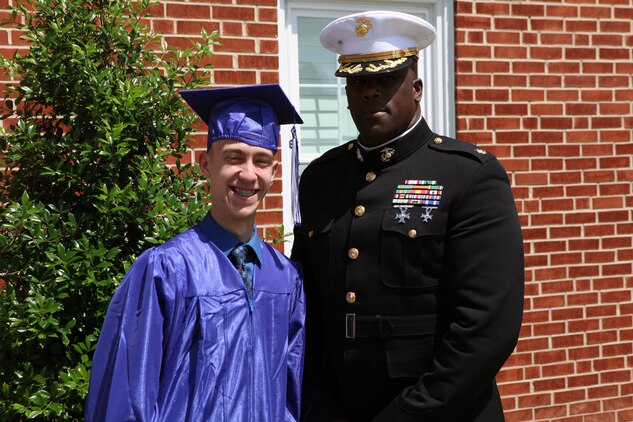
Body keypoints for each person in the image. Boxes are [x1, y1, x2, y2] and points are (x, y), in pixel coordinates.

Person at [292, 11, 524, 422]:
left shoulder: (468, 175)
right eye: (358, 81)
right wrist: (316, 403)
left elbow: (486, 328)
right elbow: (306, 307)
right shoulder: (321, 180)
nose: (370, 92)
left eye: (386, 79)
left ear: (416, 88)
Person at [85, 84, 306, 421]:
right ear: (205, 165)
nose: (249, 174)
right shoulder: (167, 269)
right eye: (234, 157)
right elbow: (128, 396)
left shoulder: (286, 278)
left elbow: (290, 396)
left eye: (261, 161)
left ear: (274, 173)